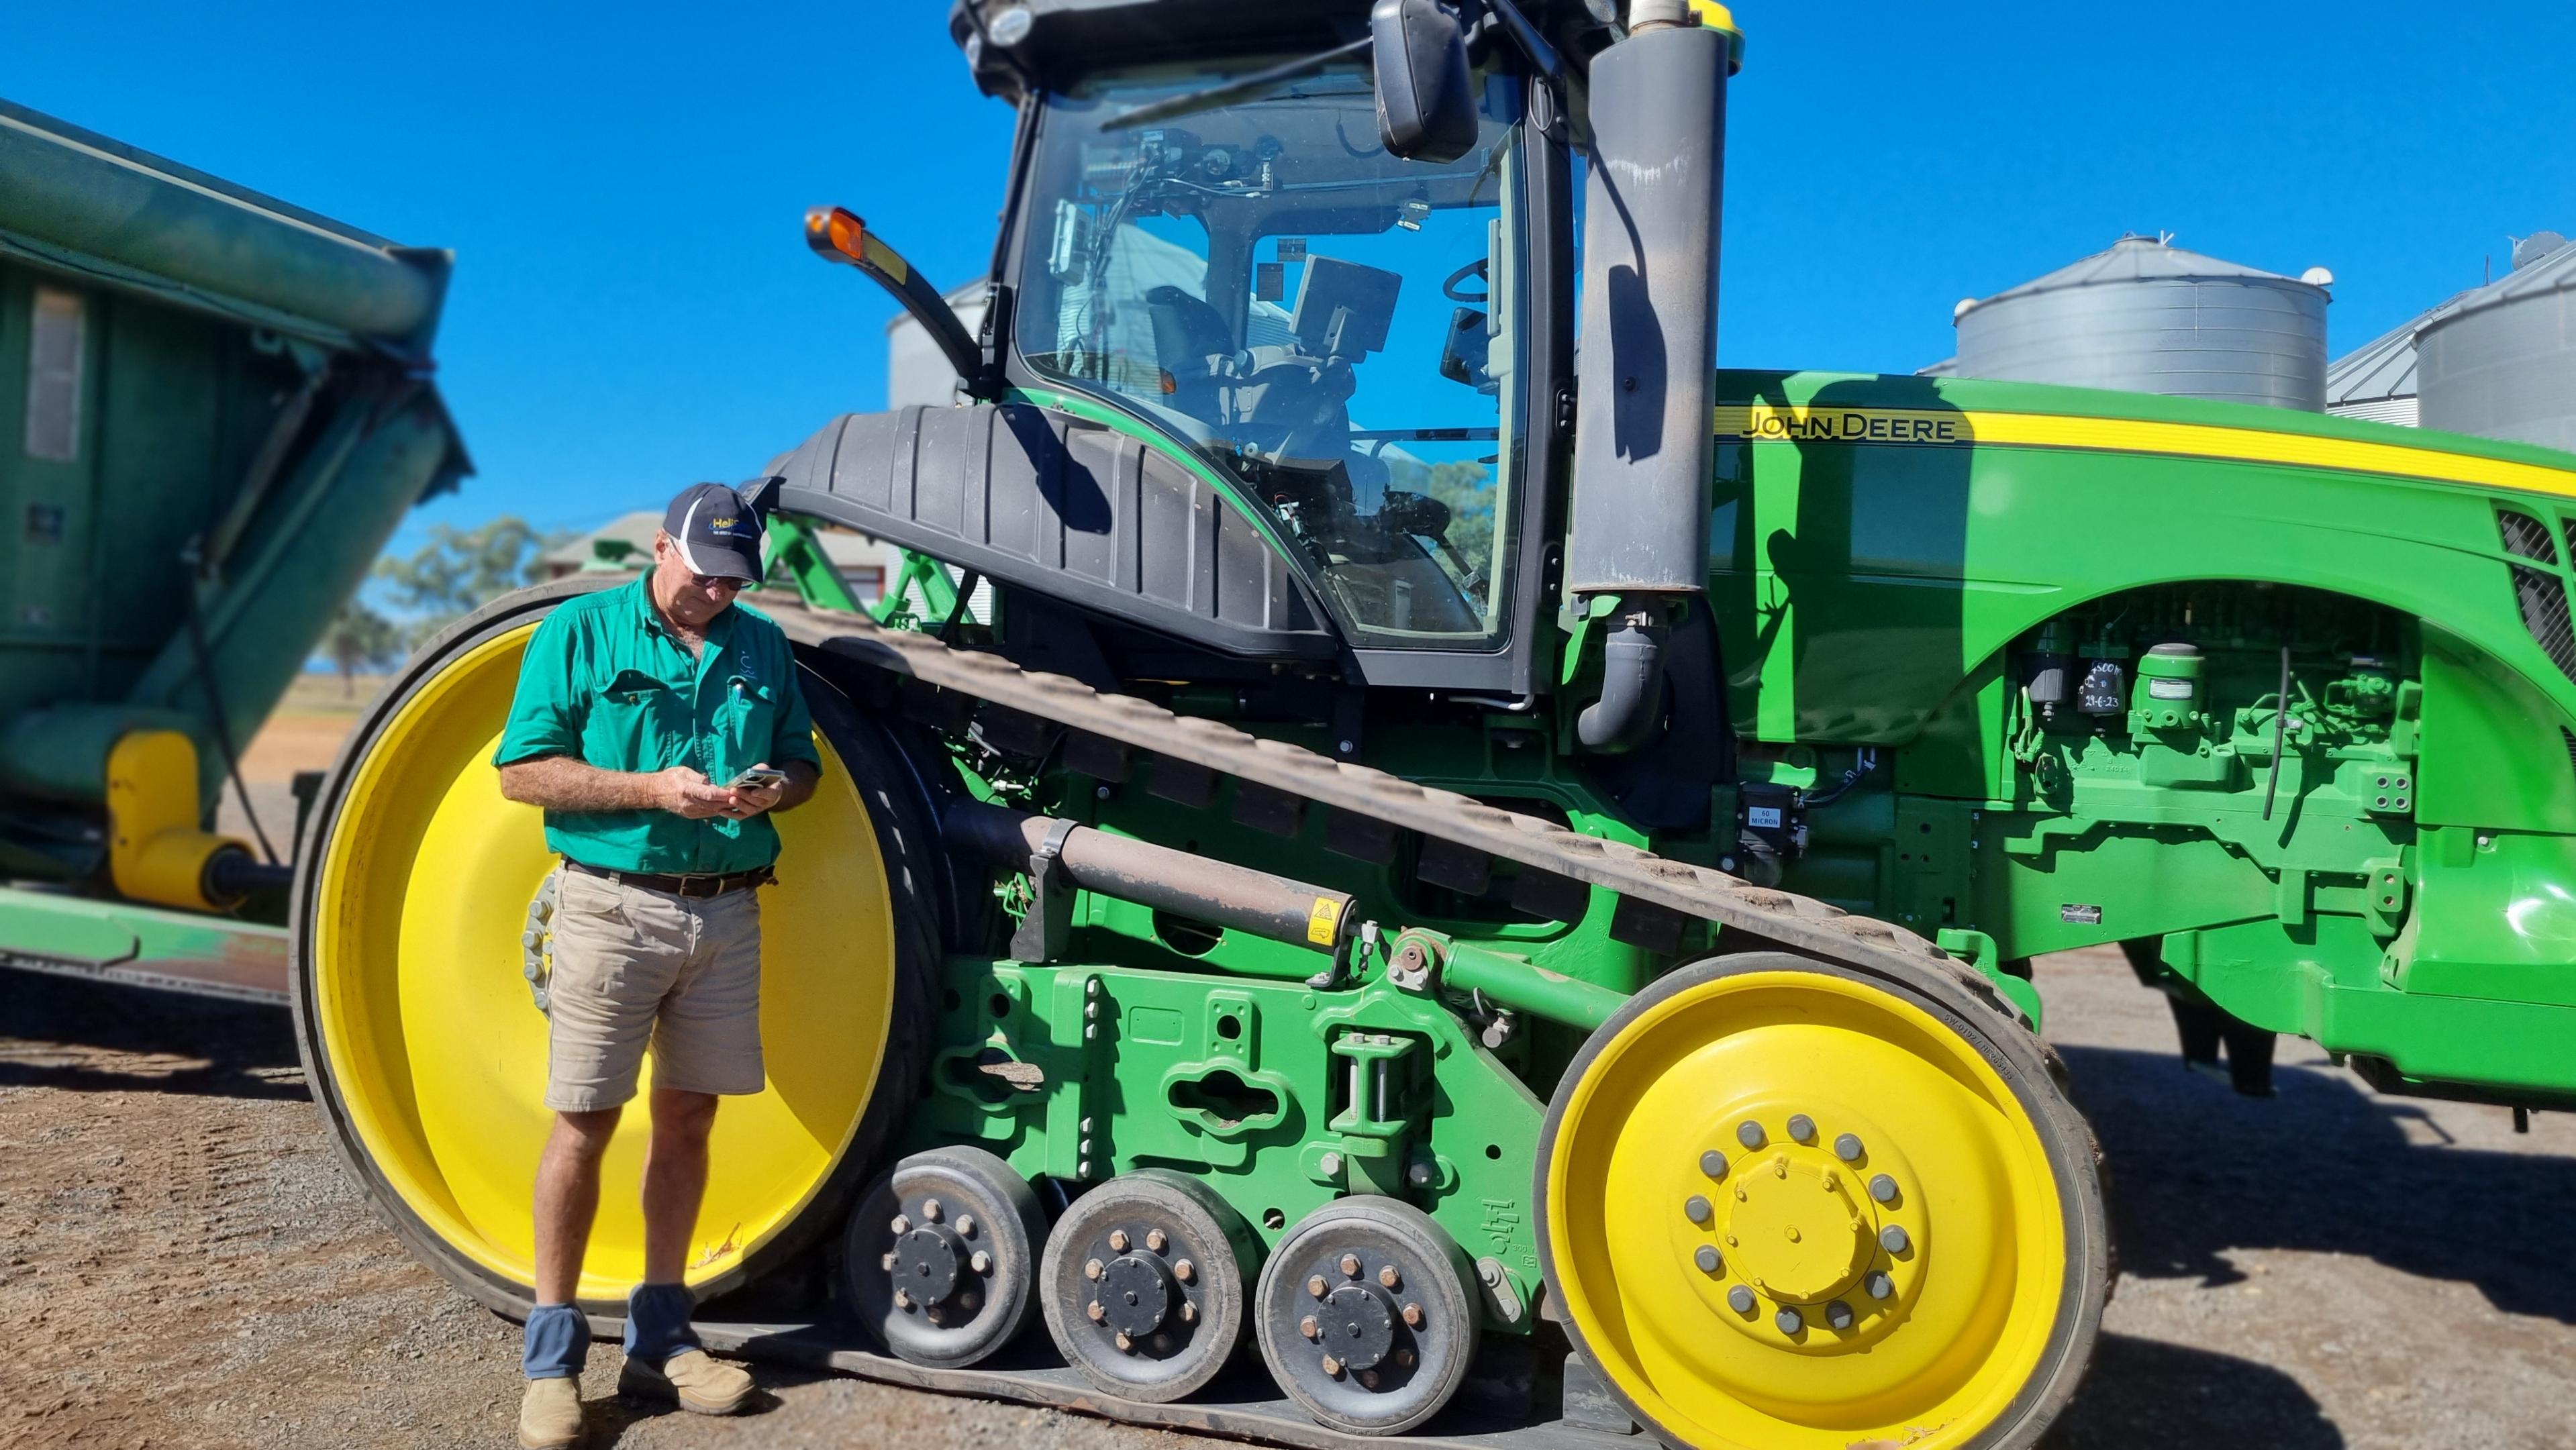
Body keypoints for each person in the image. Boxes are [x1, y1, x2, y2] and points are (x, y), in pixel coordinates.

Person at [492, 482, 822, 1449]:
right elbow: (522, 771)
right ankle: (552, 1360)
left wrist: (767, 791)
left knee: (688, 1117)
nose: (717, 594)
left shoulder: (761, 644)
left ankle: (662, 1342)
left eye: (733, 581)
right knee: (586, 1122)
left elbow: (803, 764)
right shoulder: (581, 631)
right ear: (661, 548)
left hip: (725, 912)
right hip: (611, 908)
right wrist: (649, 788)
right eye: (705, 574)